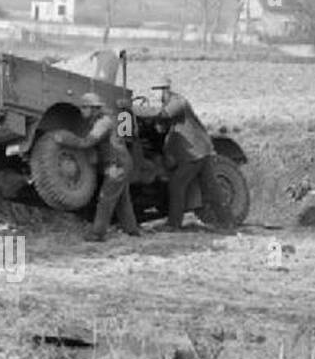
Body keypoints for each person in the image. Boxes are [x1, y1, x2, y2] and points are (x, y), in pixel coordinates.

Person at [134, 76, 234, 231]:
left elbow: (163, 115)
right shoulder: (170, 103)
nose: (154, 95)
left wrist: (132, 109)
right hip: (198, 150)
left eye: (156, 91)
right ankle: (227, 222)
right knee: (210, 188)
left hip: (194, 151)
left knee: (177, 184)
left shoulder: (178, 102)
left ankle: (174, 224)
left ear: (165, 90)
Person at [53, 92, 141, 242]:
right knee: (122, 200)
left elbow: (87, 142)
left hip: (117, 165)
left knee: (105, 199)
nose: (82, 111)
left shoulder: (103, 122)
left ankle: (98, 234)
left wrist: (65, 139)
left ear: (94, 109)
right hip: (121, 162)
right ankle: (132, 231)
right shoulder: (103, 120)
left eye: (85, 108)